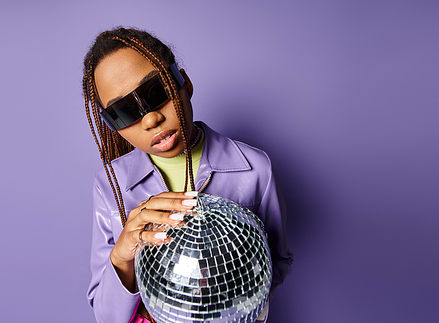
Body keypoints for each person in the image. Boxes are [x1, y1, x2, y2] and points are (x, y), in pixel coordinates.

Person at [82, 27, 293, 323]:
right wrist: (121, 257)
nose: (151, 118)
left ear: (185, 83)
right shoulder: (111, 184)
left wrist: (230, 306)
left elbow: (276, 262)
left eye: (156, 92)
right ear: (112, 125)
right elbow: (106, 317)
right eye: (124, 112)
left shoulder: (255, 168)